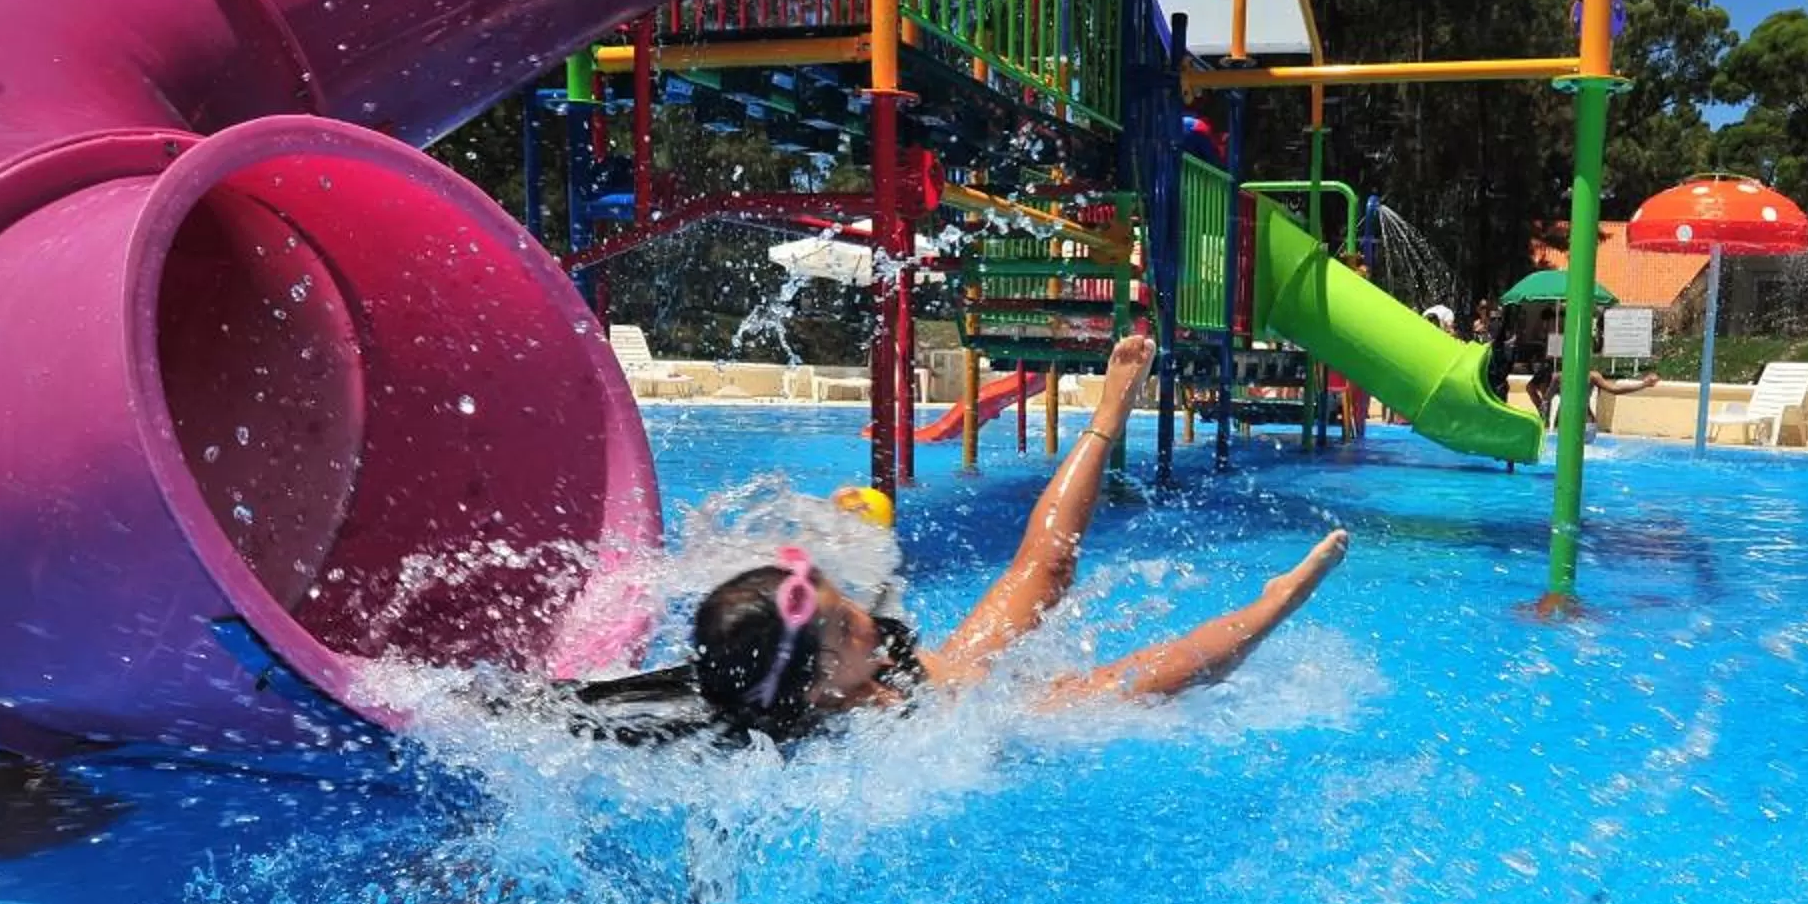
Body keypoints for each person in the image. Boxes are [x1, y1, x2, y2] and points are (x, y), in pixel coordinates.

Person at [572, 336, 1349, 744]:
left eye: (849, 606)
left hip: (930, 687)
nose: (871, 623)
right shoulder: (865, 738)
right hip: (961, 724)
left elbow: (1034, 567)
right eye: (849, 627)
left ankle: (1108, 414)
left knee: (1043, 572)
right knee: (1126, 691)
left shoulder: (807, 677)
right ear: (812, 690)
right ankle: (1272, 607)